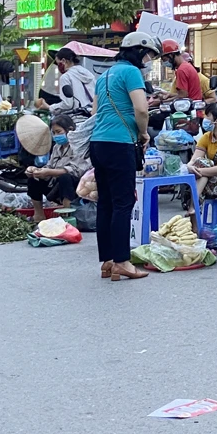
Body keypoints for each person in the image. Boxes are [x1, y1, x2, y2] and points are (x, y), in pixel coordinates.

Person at [90, 30, 161, 282]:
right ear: (139, 51)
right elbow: (141, 108)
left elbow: (95, 110)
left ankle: (108, 260)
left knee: (107, 202)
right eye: (149, 54)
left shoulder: (104, 75)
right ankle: (122, 261)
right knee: (123, 203)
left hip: (98, 143)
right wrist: (143, 133)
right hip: (120, 144)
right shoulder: (132, 73)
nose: (149, 60)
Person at [24, 111, 89, 219]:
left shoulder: (78, 146)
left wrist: (49, 172)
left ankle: (67, 215)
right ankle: (39, 215)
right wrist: (36, 170)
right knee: (33, 179)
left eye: (59, 132)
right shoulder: (56, 147)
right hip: (55, 184)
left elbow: (76, 171)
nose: (56, 135)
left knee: (65, 178)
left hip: (76, 186)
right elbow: (49, 166)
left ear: (70, 130)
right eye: (53, 133)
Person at [53, 47, 96, 115]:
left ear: (64, 61)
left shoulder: (66, 77)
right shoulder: (88, 73)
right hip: (93, 114)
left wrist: (50, 107)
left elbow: (68, 104)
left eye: (58, 63)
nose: (58, 67)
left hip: (78, 116)